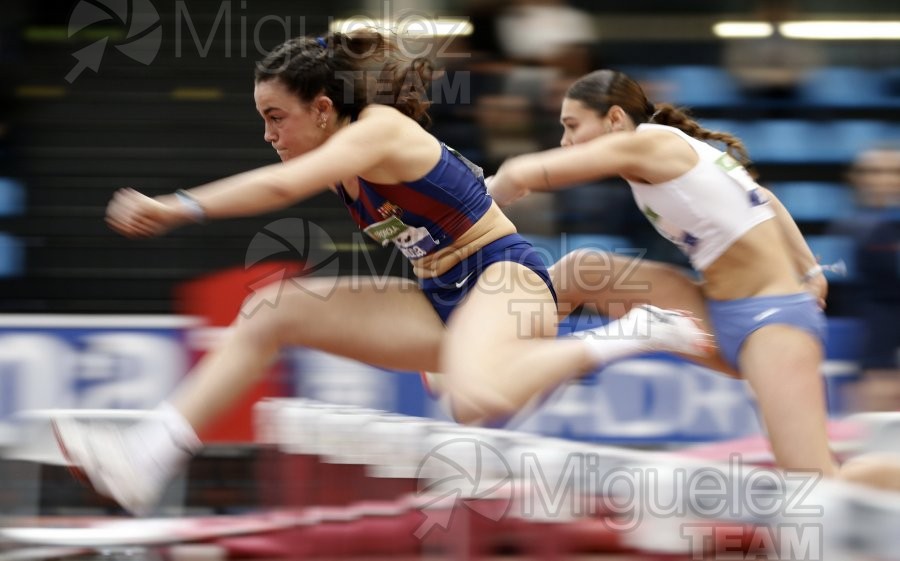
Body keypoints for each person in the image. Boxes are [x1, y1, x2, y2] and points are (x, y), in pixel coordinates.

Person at [52, 33, 712, 515]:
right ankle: (152, 451)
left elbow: (281, 186)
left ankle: (639, 332)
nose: (268, 134)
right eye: (262, 121)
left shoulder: (377, 131)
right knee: (270, 309)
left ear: (320, 107)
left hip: (507, 279)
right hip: (440, 295)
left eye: (274, 117)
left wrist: (177, 206)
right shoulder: (342, 151)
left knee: (473, 398)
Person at [487, 68, 900, 487]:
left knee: (815, 478)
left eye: (572, 126)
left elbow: (526, 172)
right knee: (581, 271)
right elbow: (767, 197)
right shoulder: (677, 150)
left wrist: (480, 195)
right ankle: (500, 371)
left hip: (773, 326)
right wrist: (811, 268)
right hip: (715, 311)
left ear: (614, 119)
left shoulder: (649, 144)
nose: (566, 141)